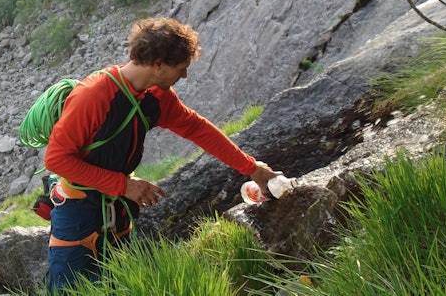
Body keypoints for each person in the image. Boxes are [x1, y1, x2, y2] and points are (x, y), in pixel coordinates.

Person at [42, 16, 281, 292]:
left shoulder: (155, 95)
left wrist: (251, 168)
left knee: (115, 285)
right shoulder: (93, 96)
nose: (185, 75)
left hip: (118, 208)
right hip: (78, 211)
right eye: (181, 68)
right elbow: (57, 159)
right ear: (158, 65)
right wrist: (125, 185)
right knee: (69, 289)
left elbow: (197, 129)